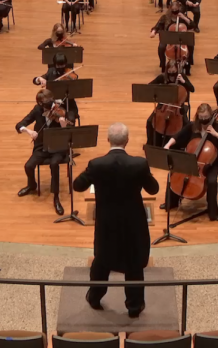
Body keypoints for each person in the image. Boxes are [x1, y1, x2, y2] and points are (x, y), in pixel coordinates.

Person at [74, 123, 159, 318]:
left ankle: (94, 297)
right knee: (134, 264)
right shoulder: (139, 164)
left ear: (108, 140)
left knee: (102, 261)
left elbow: (78, 186)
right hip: (133, 223)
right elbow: (153, 189)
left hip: (107, 224)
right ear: (127, 141)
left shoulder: (96, 164)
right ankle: (134, 306)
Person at [162, 103, 218, 221]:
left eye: (206, 117)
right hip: (192, 159)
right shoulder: (192, 126)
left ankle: (213, 211)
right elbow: (177, 136)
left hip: (212, 163)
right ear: (197, 116)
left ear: (210, 116)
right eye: (201, 117)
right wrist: (168, 145)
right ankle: (172, 202)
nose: (204, 120)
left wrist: (215, 134)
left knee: (211, 181)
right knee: (174, 173)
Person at [15, 89, 76, 215]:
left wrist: (64, 126)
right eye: (44, 105)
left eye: (49, 104)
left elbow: (72, 128)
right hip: (42, 146)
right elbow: (20, 124)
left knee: (54, 164)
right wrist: (29, 131)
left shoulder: (61, 109)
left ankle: (56, 197)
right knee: (28, 166)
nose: (47, 108)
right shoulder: (37, 110)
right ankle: (32, 185)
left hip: (58, 147)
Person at [146, 59, 194, 146]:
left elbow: (192, 89)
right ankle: (150, 143)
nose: (172, 72)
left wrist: (184, 82)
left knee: (187, 124)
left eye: (174, 70)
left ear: (177, 69)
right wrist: (158, 90)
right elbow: (149, 87)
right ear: (167, 70)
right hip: (164, 105)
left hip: (178, 107)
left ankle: (183, 144)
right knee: (150, 122)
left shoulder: (181, 76)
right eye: (170, 70)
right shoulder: (162, 77)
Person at [33, 53, 80, 120]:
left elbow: (76, 80)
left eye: (63, 65)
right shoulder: (51, 71)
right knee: (41, 117)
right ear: (55, 65)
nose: (61, 67)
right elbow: (35, 81)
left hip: (68, 103)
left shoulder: (69, 73)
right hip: (51, 103)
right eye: (58, 65)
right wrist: (39, 79)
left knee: (71, 118)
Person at [151, 1, 194, 74]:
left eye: (176, 11)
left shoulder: (182, 16)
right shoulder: (165, 17)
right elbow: (157, 26)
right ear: (170, 10)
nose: (175, 13)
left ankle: (188, 63)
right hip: (169, 39)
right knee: (161, 47)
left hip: (181, 39)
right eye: (173, 11)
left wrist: (184, 18)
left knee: (190, 44)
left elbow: (192, 25)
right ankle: (163, 65)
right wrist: (153, 32)